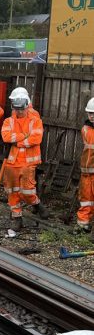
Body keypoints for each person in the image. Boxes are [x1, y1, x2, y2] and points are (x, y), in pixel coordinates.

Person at [1, 94, 48, 231]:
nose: (19, 112)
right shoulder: (8, 122)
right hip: (12, 162)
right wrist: (24, 136)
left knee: (27, 192)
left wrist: (17, 142)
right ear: (13, 108)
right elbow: (6, 137)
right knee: (12, 192)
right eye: (17, 109)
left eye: (21, 109)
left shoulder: (35, 121)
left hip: (28, 162)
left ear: (27, 107)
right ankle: (17, 218)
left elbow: (36, 139)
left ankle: (37, 204)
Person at [75, 98, 94, 238]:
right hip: (86, 172)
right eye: (90, 113)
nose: (91, 116)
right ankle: (83, 225)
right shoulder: (86, 129)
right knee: (85, 199)